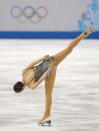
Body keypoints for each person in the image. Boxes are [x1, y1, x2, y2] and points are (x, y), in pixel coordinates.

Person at [13, 27, 94, 126]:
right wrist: (43, 58)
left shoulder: (31, 86)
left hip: (49, 68)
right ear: (17, 82)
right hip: (47, 61)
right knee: (68, 50)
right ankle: (83, 35)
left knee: (48, 93)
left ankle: (47, 116)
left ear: (22, 90)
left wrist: (49, 69)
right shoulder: (23, 72)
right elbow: (33, 63)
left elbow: (41, 78)